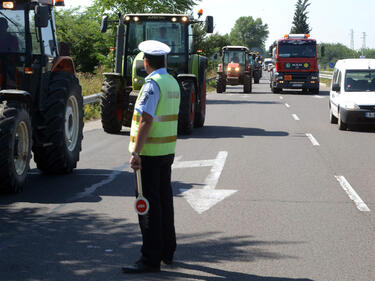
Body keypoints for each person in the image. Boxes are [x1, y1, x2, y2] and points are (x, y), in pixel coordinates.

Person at [122, 40, 180, 274]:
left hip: (149, 154)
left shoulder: (152, 85)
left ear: (146, 63)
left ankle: (150, 259)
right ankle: (167, 250)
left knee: (147, 207)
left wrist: (136, 152)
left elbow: (146, 120)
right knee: (165, 202)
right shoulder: (171, 82)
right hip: (166, 151)